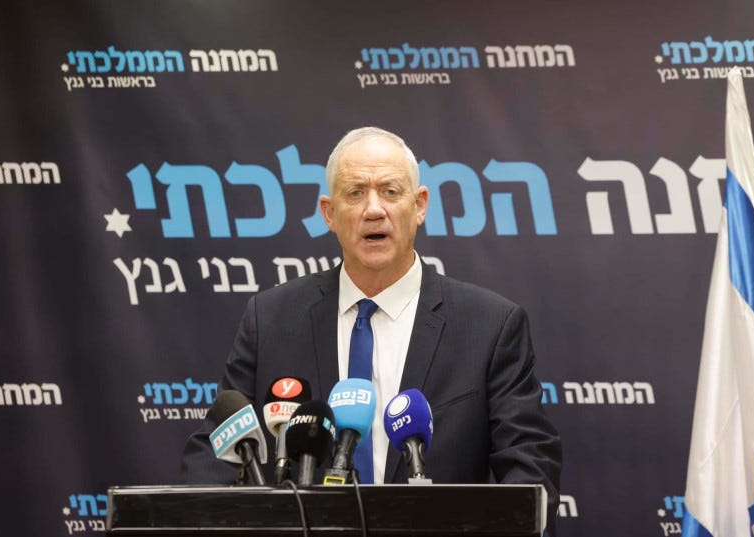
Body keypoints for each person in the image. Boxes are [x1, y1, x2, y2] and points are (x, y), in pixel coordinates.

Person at [181, 127, 561, 530]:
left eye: (391, 192)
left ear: (419, 206)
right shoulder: (271, 318)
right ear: (329, 213)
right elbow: (217, 454)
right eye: (355, 192)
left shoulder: (490, 325)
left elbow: (530, 469)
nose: (374, 209)